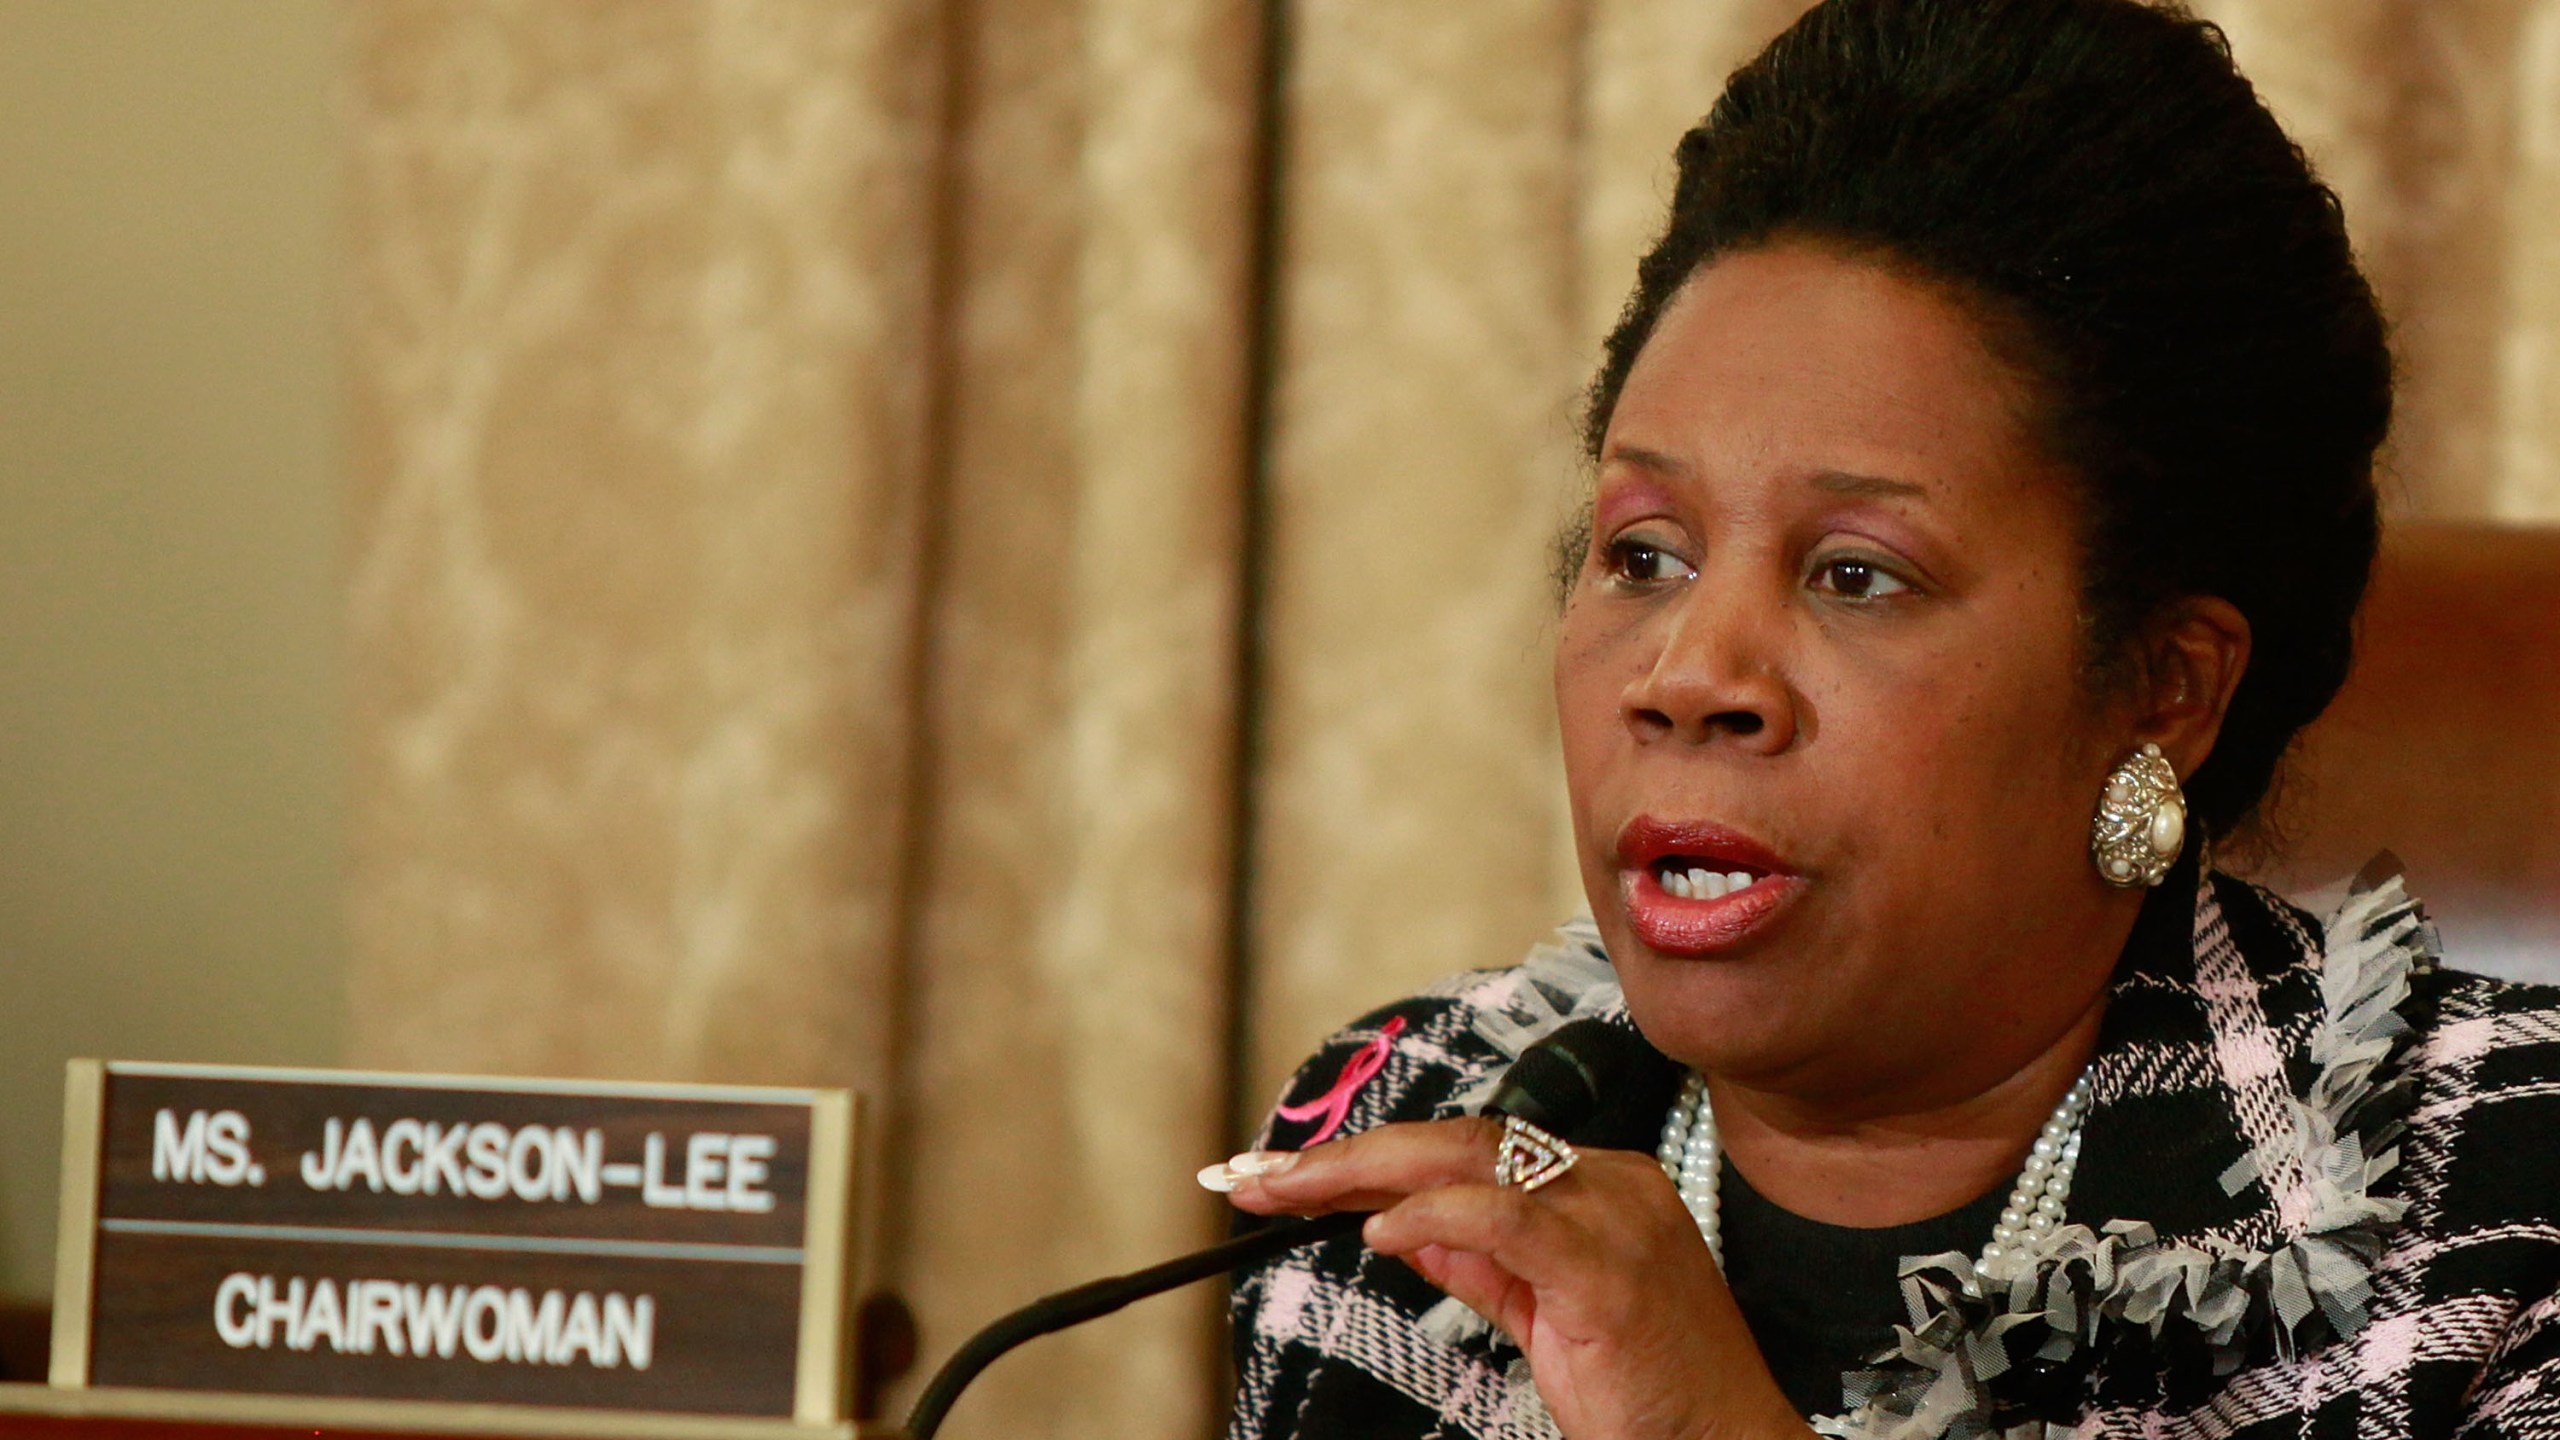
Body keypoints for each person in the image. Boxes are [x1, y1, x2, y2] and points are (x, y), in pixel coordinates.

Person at [1202, 2, 2560, 1438]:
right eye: (1644, 554)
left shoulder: (2501, 1217)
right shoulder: (1414, 1140)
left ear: (2164, 687)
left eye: (1856, 576)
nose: (1685, 672)